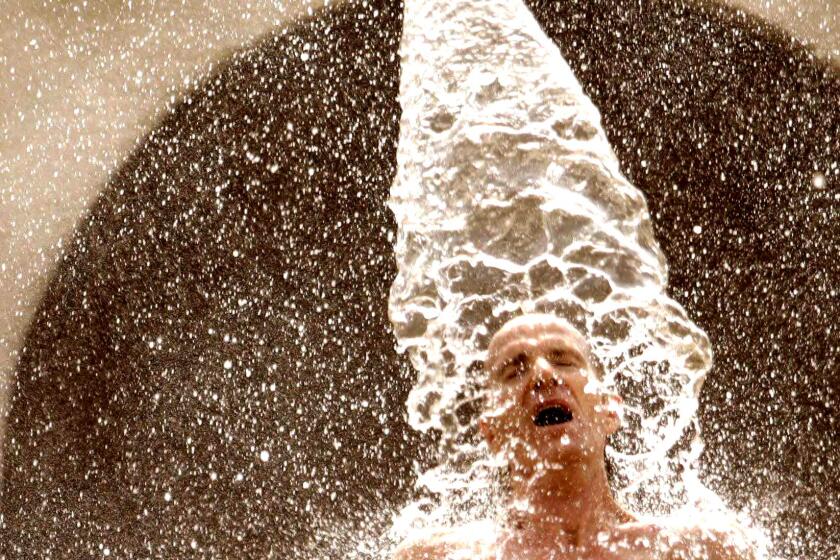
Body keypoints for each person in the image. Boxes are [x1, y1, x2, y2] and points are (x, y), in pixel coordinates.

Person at [394, 313, 755, 560]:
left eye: (565, 361)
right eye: (513, 371)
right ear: (492, 432)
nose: (543, 374)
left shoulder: (699, 550)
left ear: (610, 409)